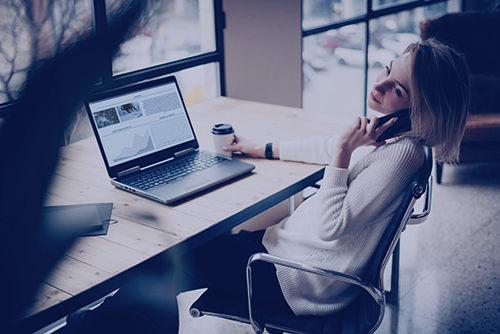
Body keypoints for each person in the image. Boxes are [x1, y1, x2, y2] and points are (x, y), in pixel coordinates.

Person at [66, 38, 470, 333]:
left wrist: (344, 154)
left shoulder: (402, 155)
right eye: (387, 70)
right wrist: (262, 148)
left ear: (422, 109)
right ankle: (98, 322)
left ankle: (91, 326)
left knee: (168, 261)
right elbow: (328, 146)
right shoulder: (395, 138)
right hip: (291, 258)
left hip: (300, 282)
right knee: (173, 261)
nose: (379, 86)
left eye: (396, 89)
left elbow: (333, 224)